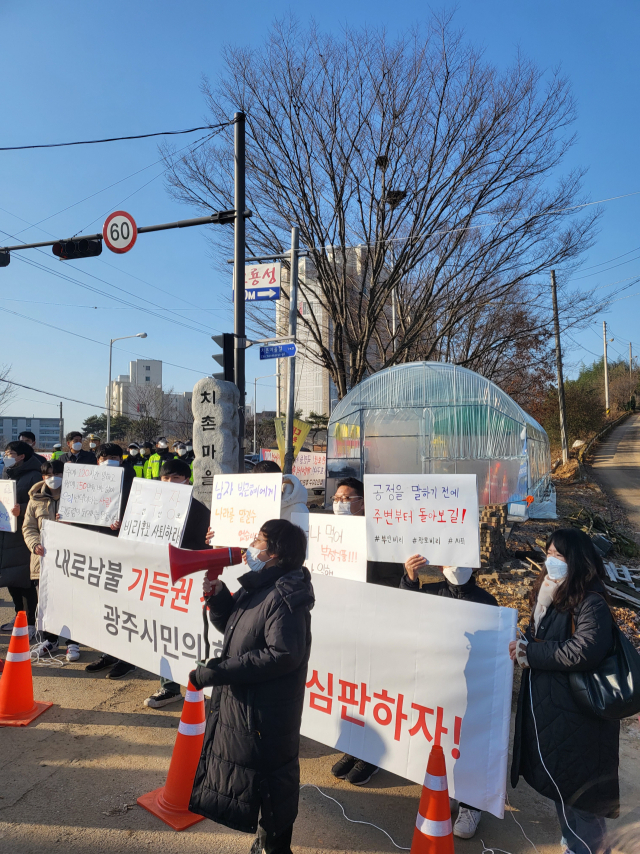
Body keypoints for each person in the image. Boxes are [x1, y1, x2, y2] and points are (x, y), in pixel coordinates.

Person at [189, 519, 314, 854]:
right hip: (248, 704)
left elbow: (283, 655)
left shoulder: (286, 597)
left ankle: (274, 847)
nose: (251, 545)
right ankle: (264, 843)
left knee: (272, 783)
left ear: (275, 553)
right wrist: (218, 599)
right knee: (255, 780)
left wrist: (219, 671)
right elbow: (235, 627)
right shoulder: (260, 585)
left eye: (258, 540)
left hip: (265, 711)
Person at [510, 528, 620, 854]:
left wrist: (531, 653)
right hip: (558, 708)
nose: (553, 561)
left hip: (580, 713)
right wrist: (524, 641)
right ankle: (575, 842)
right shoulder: (550, 591)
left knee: (579, 791)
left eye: (561, 555)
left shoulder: (590, 600)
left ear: (578, 560)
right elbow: (549, 638)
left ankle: (584, 846)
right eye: (550, 554)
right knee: (564, 783)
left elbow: (583, 649)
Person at [400, 556, 497, 839]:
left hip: (472, 687)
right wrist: (409, 578)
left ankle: (471, 805)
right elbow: (405, 615)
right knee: (441, 740)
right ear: (441, 565)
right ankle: (450, 791)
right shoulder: (430, 593)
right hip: (439, 684)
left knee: (471, 740)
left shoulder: (488, 603)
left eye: (461, 559)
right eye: (450, 561)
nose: (455, 566)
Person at [329, 477, 404, 785]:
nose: (339, 503)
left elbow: (391, 583)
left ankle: (371, 756)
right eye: (335, 498)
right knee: (348, 686)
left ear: (363, 502)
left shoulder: (383, 536)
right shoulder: (329, 534)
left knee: (371, 688)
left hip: (374, 622)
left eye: (346, 498)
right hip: (342, 623)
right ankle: (353, 746)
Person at [144, 458, 211, 709]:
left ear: (187, 481)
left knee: (194, 635)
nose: (169, 483)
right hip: (158, 581)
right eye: (165, 479)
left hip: (189, 584)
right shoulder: (149, 507)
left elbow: (207, 548)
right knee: (164, 633)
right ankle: (169, 686)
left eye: (175, 479)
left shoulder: (200, 511)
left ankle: (200, 686)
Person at [82, 443, 136, 679]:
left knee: (124, 607)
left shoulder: (134, 482)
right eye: (105, 457)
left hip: (124, 552)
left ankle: (128, 658)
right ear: (98, 461)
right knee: (104, 607)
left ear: (122, 460)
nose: (110, 460)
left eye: (115, 457)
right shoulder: (87, 483)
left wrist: (124, 521)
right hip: (98, 550)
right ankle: (109, 653)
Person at [23, 459, 80, 662]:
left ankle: (73, 642)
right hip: (43, 561)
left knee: (72, 601)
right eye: (48, 475)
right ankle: (50, 640)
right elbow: (28, 527)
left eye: (57, 474)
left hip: (71, 560)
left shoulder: (78, 497)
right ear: (43, 477)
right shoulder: (35, 499)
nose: (53, 479)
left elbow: (89, 526)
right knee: (47, 603)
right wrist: (34, 544)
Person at [0, 441, 44, 636]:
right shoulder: (7, 472)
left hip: (24, 535)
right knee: (11, 578)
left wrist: (22, 509)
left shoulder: (35, 475)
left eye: (11, 453)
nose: (6, 455)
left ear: (22, 456)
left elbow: (42, 504)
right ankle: (19, 616)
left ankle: (31, 622)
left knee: (24, 580)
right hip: (7, 531)